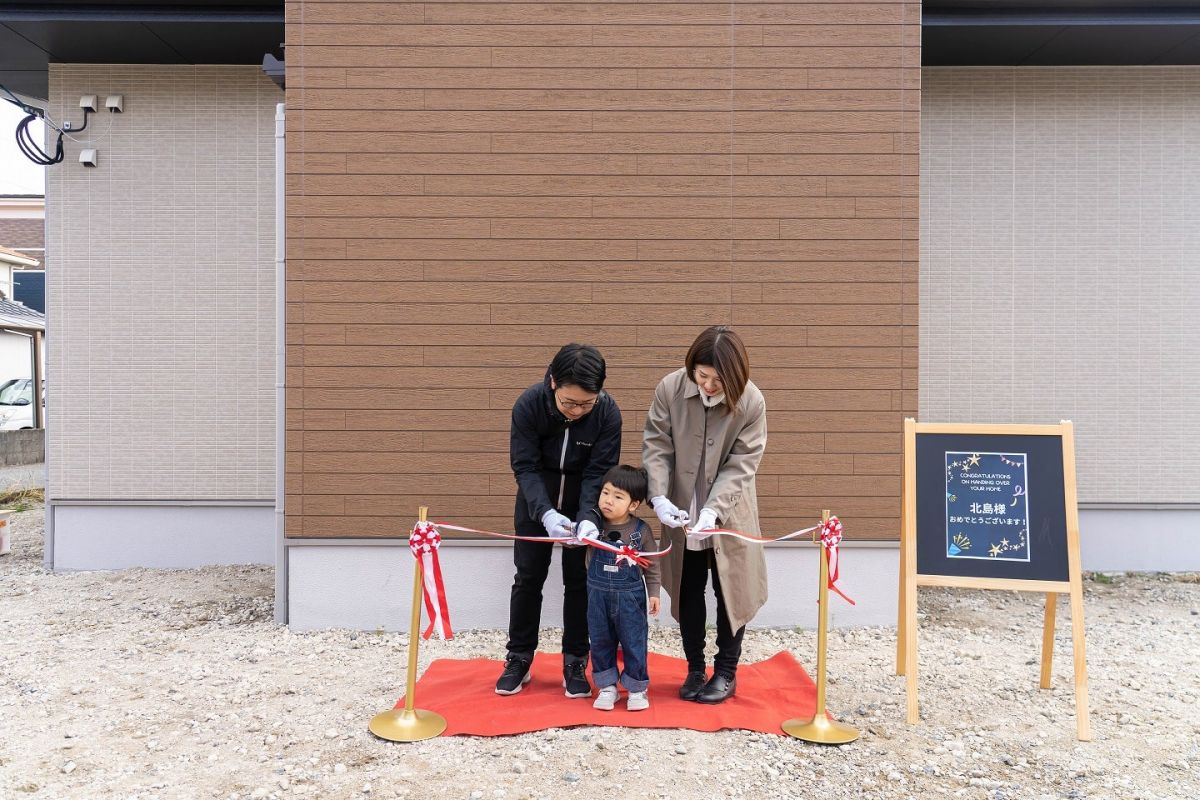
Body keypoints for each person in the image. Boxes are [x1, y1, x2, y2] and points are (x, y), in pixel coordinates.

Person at [642, 326, 768, 704]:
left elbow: (743, 462)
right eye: (702, 376)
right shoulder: (669, 389)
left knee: (730, 589)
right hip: (682, 507)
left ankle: (726, 672)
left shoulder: (751, 401)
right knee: (688, 587)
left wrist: (714, 509)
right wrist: (659, 497)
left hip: (728, 511)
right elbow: (657, 445)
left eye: (718, 379)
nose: (709, 385)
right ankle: (695, 668)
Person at [496, 344, 622, 698]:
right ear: (553, 382)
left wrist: (589, 518)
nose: (579, 410)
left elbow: (599, 471)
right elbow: (525, 466)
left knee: (580, 581)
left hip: (585, 499)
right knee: (528, 578)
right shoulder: (529, 404)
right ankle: (518, 658)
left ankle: (575, 660)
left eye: (587, 403)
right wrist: (546, 512)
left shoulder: (608, 413)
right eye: (570, 403)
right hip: (537, 504)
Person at [584, 465, 661, 712]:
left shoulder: (641, 531)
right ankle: (607, 687)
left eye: (618, 497)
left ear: (633, 505)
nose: (608, 500)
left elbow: (653, 564)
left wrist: (655, 592)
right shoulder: (593, 525)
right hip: (597, 596)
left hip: (631, 598)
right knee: (600, 641)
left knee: (634, 640)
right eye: (605, 493)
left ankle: (637, 688)